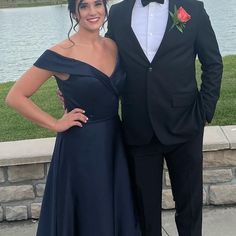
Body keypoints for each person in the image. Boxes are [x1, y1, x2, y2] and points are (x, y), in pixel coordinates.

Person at [5, 0, 140, 235]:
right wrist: (55, 123)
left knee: (115, 210)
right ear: (73, 12)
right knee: (90, 214)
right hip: (81, 148)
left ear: (105, 8)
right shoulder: (60, 53)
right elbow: (16, 96)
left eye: (98, 4)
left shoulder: (113, 46)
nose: (92, 12)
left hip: (114, 143)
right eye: (84, 6)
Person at [105, 0, 223, 235]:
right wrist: (77, 85)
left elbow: (213, 63)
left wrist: (204, 111)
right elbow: (105, 58)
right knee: (145, 214)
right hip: (138, 127)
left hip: (185, 124)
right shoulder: (118, 13)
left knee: (189, 209)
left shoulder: (193, 9)